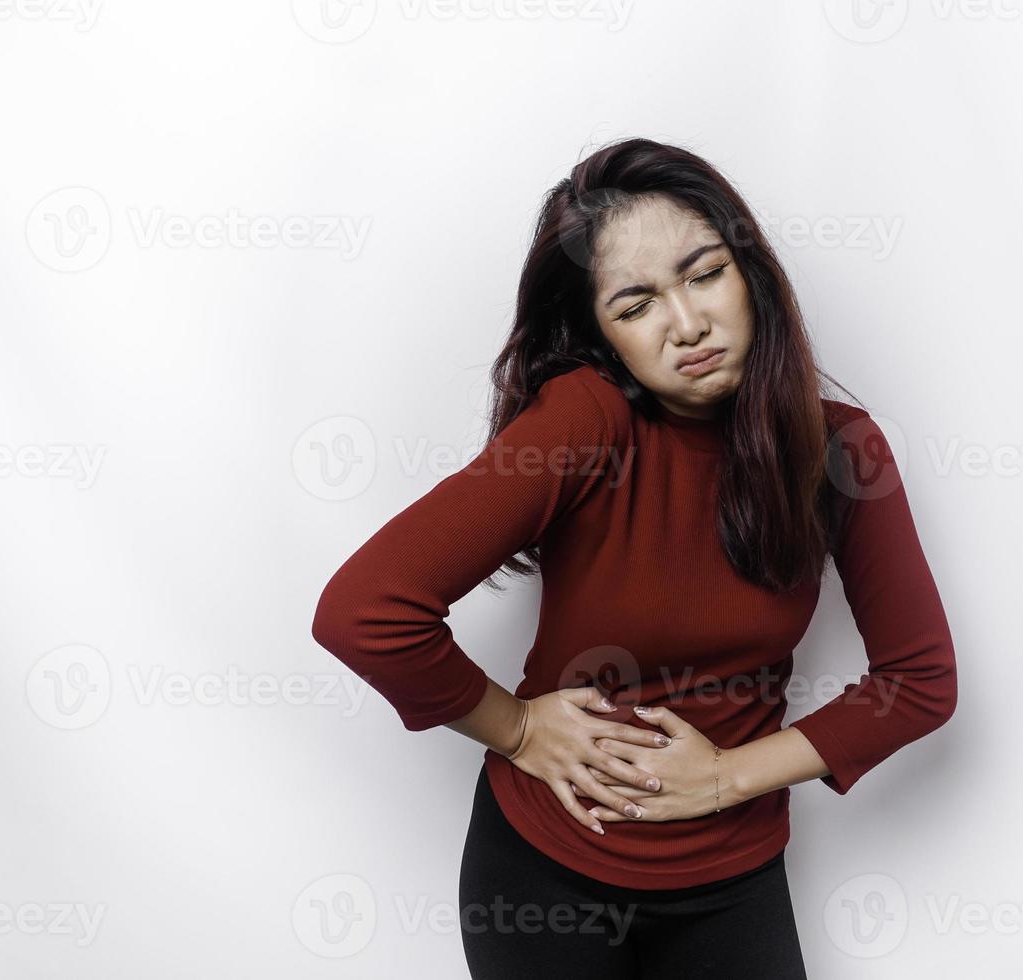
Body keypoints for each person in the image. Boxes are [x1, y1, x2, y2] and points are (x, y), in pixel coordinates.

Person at [309, 137, 958, 978]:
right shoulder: (587, 421)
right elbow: (364, 611)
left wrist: (725, 778)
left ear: (750, 271)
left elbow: (919, 680)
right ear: (604, 335)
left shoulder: (839, 450)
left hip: (735, 879)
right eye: (636, 303)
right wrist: (517, 728)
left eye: (704, 273)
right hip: (546, 874)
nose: (686, 323)